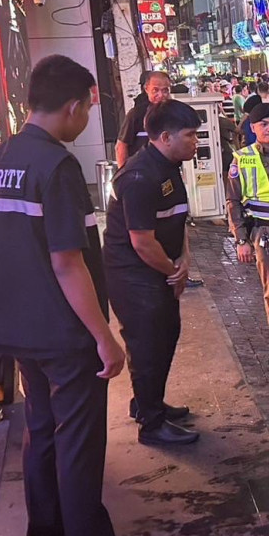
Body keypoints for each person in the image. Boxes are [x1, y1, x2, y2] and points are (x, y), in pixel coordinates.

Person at [0, 55, 171, 536]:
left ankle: (49, 534)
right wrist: (104, 338)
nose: (85, 119)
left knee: (41, 430)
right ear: (71, 106)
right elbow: (67, 262)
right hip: (63, 331)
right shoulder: (57, 167)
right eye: (86, 108)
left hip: (15, 326)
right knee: (79, 441)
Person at [104, 100, 199, 446]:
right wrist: (173, 272)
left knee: (165, 336)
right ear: (165, 137)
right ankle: (151, 424)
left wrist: (183, 259)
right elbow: (142, 242)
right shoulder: (140, 176)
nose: (196, 142)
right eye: (190, 135)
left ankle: (148, 402)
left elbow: (176, 219)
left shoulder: (169, 166)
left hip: (159, 269)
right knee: (147, 345)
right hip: (134, 275)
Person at [227, 101, 269, 364]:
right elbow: (233, 201)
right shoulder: (242, 158)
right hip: (264, 231)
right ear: (253, 128)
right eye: (264, 124)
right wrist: (241, 239)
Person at [116, 71, 171, 167]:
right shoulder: (136, 114)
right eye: (155, 90)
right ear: (146, 89)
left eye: (165, 90)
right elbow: (121, 146)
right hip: (141, 169)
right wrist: (124, 172)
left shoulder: (173, 113)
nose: (161, 95)